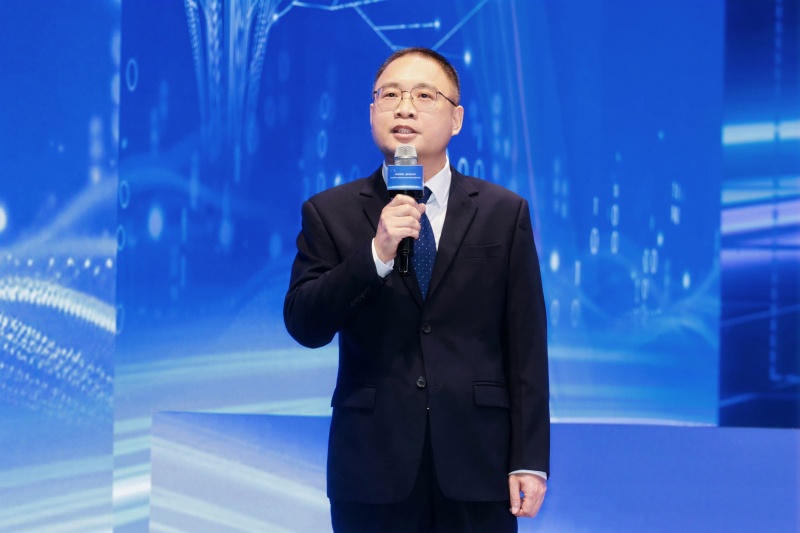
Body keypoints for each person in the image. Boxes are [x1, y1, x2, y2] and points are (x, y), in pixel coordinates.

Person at [284, 47, 550, 532]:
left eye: (424, 96)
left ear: (456, 119)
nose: (404, 108)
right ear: (372, 113)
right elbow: (305, 323)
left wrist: (529, 458)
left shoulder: (503, 212)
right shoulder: (329, 213)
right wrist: (376, 255)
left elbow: (526, 345)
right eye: (390, 95)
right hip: (372, 466)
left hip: (478, 463)